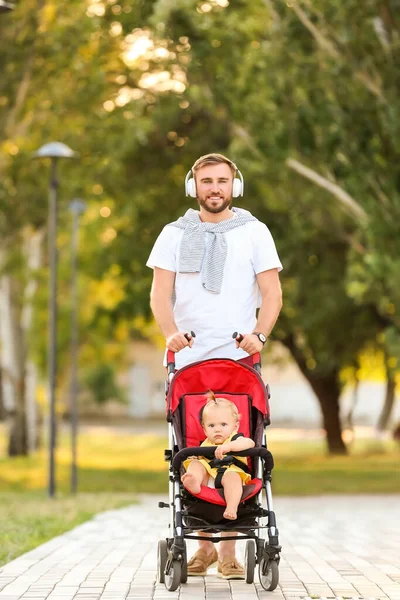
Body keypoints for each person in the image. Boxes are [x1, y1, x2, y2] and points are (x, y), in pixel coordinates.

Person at [147, 152, 283, 579]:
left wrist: (258, 335)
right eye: (206, 181)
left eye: (222, 181)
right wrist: (170, 331)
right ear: (194, 186)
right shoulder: (172, 234)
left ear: (234, 185)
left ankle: (228, 554)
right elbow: (159, 293)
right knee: (196, 445)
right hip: (188, 359)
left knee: (236, 449)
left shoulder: (255, 232)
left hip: (238, 359)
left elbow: (272, 293)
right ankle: (202, 551)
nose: (214, 189)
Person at [182, 392, 255, 521]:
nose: (217, 429)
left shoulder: (236, 438)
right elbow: (198, 459)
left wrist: (230, 447)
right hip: (207, 480)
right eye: (211, 425)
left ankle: (232, 508)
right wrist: (195, 458)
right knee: (195, 465)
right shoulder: (205, 443)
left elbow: (250, 443)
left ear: (235, 426)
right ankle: (194, 482)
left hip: (231, 473)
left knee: (233, 478)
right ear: (204, 429)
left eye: (223, 424)